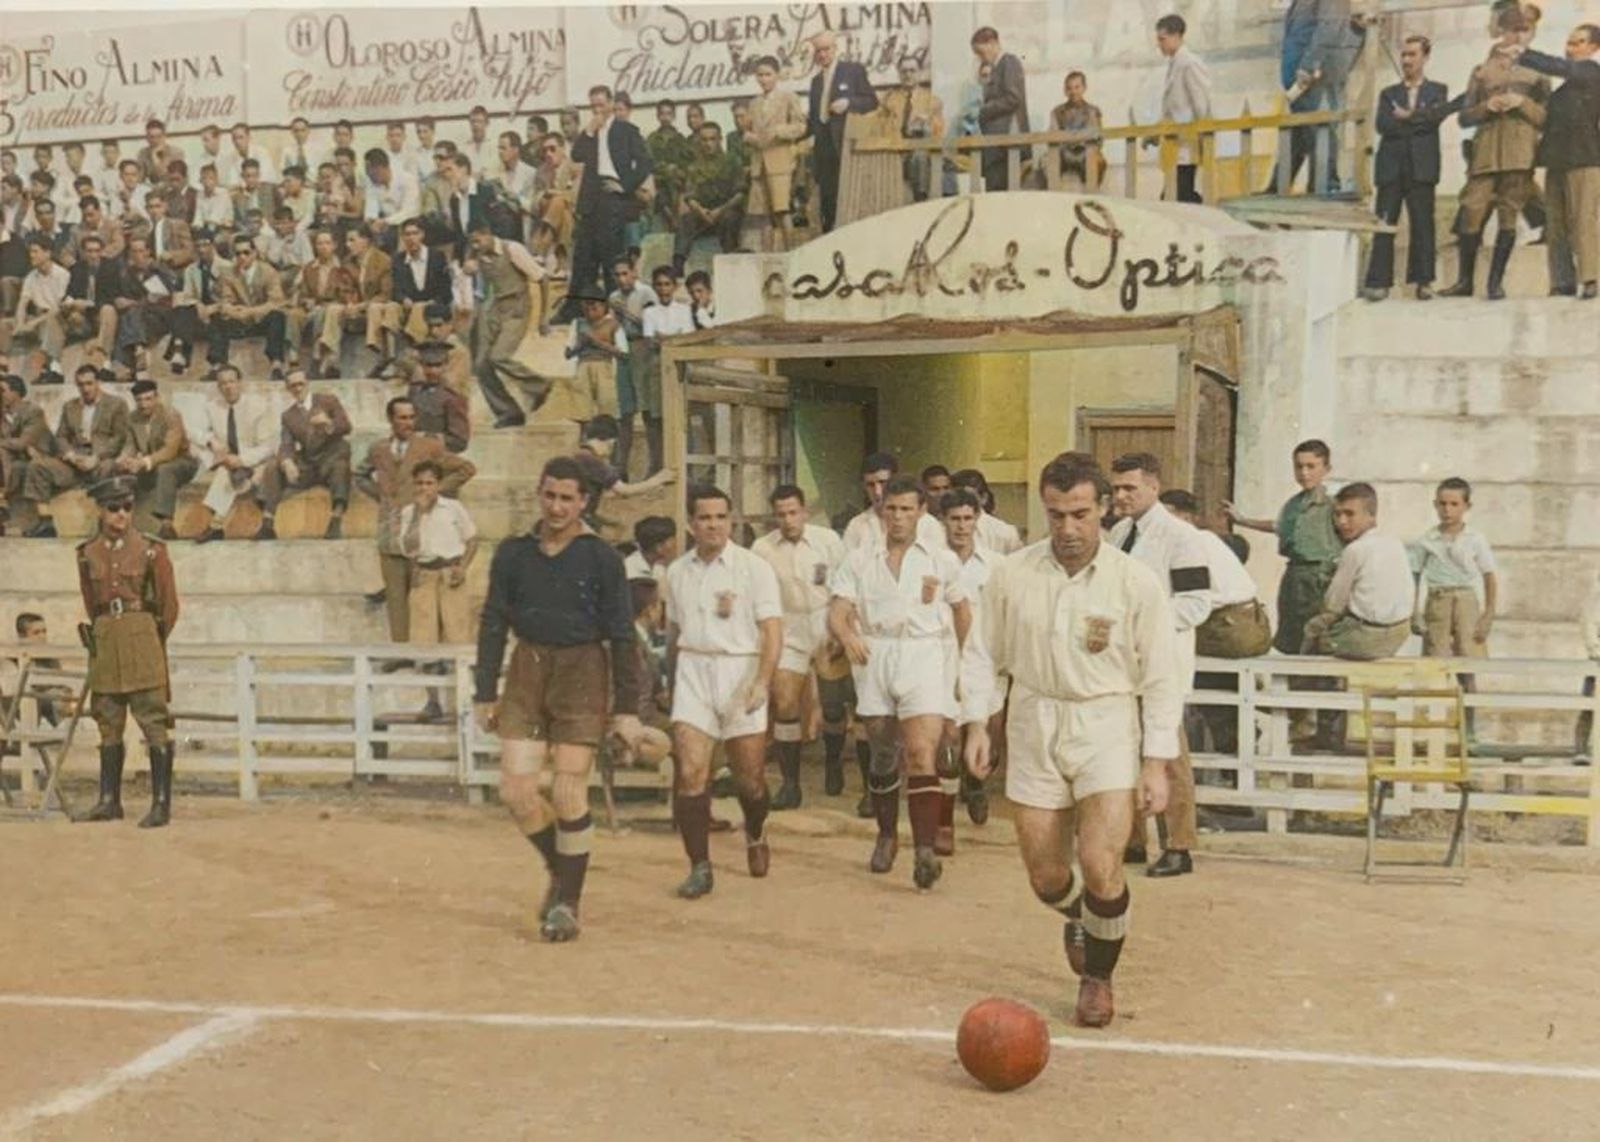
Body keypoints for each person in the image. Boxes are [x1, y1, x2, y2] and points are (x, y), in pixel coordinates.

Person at [962, 453, 1181, 1028]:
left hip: (1105, 722)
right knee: (1047, 875)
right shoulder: (1013, 574)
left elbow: (1161, 675)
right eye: (1056, 515)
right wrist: (979, 723)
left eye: (1080, 514)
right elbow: (983, 654)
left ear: (1104, 508)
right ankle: (1082, 916)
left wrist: (1156, 762)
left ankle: (1098, 978)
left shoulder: (1134, 582)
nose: (1067, 529)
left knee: (1101, 861)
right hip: (1035, 721)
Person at [474, 456, 642, 941]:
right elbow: (492, 621)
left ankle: (567, 901)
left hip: (583, 671)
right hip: (527, 671)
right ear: (539, 494)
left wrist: (627, 707)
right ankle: (562, 870)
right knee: (517, 792)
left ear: (584, 502)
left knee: (568, 793)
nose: (556, 506)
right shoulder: (513, 553)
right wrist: (485, 691)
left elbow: (622, 635)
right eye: (549, 495)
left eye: (567, 498)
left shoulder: (601, 558)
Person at [829, 475, 973, 888]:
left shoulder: (940, 558)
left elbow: (962, 613)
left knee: (920, 753)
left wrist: (962, 667)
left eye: (907, 509)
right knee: (880, 752)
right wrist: (848, 635)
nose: (898, 517)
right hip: (876, 654)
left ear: (922, 511)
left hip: (924, 654)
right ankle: (887, 833)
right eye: (891, 508)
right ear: (880, 511)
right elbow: (838, 610)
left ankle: (925, 850)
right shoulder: (859, 558)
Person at [664, 484, 783, 899]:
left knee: (750, 777)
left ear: (730, 521)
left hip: (741, 671)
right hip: (694, 671)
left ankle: (755, 831)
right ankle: (700, 866)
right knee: (692, 770)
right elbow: (675, 632)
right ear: (691, 523)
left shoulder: (753, 568)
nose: (712, 525)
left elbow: (771, 632)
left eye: (720, 517)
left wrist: (762, 682)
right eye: (704, 518)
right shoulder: (677, 572)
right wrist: (671, 681)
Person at [1107, 453, 1213, 878]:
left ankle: (1179, 845)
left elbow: (1196, 603)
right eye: (1116, 488)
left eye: (1130, 488)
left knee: (1167, 753)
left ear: (1153, 487)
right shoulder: (1117, 533)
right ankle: (1132, 840)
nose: (1121, 496)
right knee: (1125, 750)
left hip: (1162, 659)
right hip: (1121, 660)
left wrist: (1147, 624)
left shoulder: (1181, 537)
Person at [73, 474, 181, 829]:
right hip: (106, 636)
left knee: (152, 718)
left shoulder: (152, 549)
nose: (122, 514)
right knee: (107, 716)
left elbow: (168, 606)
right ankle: (109, 800)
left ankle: (161, 803)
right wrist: (106, 631)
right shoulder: (87, 553)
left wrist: (149, 636)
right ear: (101, 511)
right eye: (114, 508)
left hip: (141, 634)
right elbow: (92, 603)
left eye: (127, 507)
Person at [1442, 10, 1549, 300]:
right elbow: (1464, 117)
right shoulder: (1481, 71)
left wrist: (1522, 102)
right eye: (1514, 29)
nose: (1519, 35)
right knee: (1471, 213)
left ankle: (1494, 284)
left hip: (1519, 154)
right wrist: (1487, 106)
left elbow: (1545, 118)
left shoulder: (1538, 73)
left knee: (1508, 218)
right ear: (1502, 31)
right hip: (1486, 154)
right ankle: (1465, 281)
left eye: (1525, 29)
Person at [752, 484, 847, 809]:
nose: (788, 520)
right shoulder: (762, 549)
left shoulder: (828, 541)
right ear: (773, 516)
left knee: (833, 707)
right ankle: (791, 784)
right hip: (787, 630)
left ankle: (833, 763)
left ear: (804, 511)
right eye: (781, 514)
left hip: (825, 625)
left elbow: (844, 587)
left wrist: (842, 628)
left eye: (793, 513)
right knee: (786, 704)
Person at [1160, 488, 1272, 757]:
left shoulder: (1190, 543)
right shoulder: (1207, 539)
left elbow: (1190, 602)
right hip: (1249, 623)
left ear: (1185, 517)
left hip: (1229, 628)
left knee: (1172, 655)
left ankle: (1217, 748)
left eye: (1166, 516)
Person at [356, 397, 476, 643]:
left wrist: (433, 491)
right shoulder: (378, 449)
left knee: (425, 595)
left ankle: (432, 653)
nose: (408, 423)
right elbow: (359, 474)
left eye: (411, 417)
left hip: (423, 529)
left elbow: (465, 468)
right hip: (390, 529)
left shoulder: (428, 446)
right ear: (391, 419)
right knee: (396, 595)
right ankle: (401, 652)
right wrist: (380, 495)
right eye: (402, 417)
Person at [1224, 439, 1343, 658]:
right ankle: (1296, 686)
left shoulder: (1334, 505)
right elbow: (1278, 526)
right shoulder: (1293, 504)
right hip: (1294, 576)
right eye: (1299, 466)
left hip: (1320, 577)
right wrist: (1242, 520)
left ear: (1326, 469)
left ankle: (1320, 686)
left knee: (1318, 635)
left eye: (1311, 466)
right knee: (1292, 634)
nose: (1304, 473)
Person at [938, 486, 1008, 837]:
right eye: (954, 519)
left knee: (987, 731)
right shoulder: (932, 562)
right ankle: (945, 815)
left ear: (978, 520)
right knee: (948, 736)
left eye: (968, 519)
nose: (961, 527)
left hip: (986, 658)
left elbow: (1009, 612)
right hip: (944, 657)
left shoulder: (997, 565)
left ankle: (976, 785)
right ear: (943, 521)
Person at [1363, 36, 1452, 301]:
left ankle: (1423, 282)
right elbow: (1383, 125)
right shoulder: (1389, 94)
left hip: (1422, 168)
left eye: (1413, 55)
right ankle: (1379, 282)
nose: (1407, 60)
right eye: (1404, 55)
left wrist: (1408, 117)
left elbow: (1434, 120)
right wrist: (1416, 121)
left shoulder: (1437, 90)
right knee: (1384, 223)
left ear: (1425, 57)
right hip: (1391, 167)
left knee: (1423, 224)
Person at [1514, 24, 1600, 299]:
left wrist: (1524, 52)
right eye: (1569, 42)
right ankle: (1562, 281)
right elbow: (1545, 120)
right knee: (1556, 223)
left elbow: (1559, 66)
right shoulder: (1563, 91)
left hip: (1585, 159)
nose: (1571, 48)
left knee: (1583, 220)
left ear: (1594, 48)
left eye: (1579, 43)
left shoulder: (1591, 72)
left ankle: (1590, 278)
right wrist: (1520, 103)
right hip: (1557, 160)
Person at [566, 85, 652, 322]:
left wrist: (625, 185)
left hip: (614, 196)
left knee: (609, 254)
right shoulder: (591, 133)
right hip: (591, 199)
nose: (597, 110)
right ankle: (576, 308)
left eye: (601, 105)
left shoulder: (626, 130)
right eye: (593, 106)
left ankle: (615, 309)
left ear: (612, 103)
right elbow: (576, 155)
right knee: (583, 255)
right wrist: (590, 130)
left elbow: (645, 163)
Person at [400, 458, 478, 717]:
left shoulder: (453, 508)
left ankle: (463, 702)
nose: (425, 488)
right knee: (425, 641)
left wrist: (462, 568)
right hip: (424, 574)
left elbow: (472, 540)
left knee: (458, 638)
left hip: (450, 574)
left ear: (438, 484)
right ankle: (432, 701)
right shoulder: (408, 513)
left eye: (430, 483)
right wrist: (418, 516)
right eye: (420, 483)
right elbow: (409, 548)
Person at [1302, 482, 1414, 663]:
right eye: (1337, 514)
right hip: (1400, 633)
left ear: (1371, 516)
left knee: (1313, 630)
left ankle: (1307, 685)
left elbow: (1333, 604)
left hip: (1368, 638)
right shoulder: (1394, 542)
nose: (1342, 522)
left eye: (1349, 514)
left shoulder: (1355, 549)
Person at [20, 364, 130, 538]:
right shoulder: (70, 407)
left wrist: (96, 458)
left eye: (89, 383)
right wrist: (70, 455)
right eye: (81, 385)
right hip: (74, 462)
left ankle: (105, 523)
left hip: (100, 460)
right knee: (37, 466)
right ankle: (45, 521)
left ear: (98, 382)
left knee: (110, 468)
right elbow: (61, 436)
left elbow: (119, 438)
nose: (85, 389)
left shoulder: (116, 405)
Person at [1272, 0, 1367, 194]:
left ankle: (1325, 184)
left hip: (1316, 75)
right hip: (1302, 77)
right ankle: (1279, 185)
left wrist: (1309, 65)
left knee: (1320, 129)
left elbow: (1330, 26)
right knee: (1300, 130)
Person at [466, 220, 548, 429]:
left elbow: (542, 278)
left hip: (517, 307)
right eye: (472, 242)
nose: (475, 246)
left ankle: (540, 384)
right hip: (494, 308)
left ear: (487, 233)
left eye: (478, 241)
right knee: (481, 365)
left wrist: (543, 317)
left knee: (498, 356)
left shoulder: (512, 249)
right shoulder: (476, 253)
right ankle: (508, 412)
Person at [192, 365, 281, 543]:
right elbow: (195, 431)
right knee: (219, 465)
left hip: (256, 460)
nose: (228, 387)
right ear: (218, 387)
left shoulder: (258, 406)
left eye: (232, 382)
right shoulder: (212, 407)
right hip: (227, 460)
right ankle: (217, 526)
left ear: (240, 383)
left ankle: (216, 526)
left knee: (229, 475)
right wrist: (211, 441)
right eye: (223, 383)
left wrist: (241, 460)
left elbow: (268, 447)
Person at [806, 31, 879, 232]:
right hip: (823, 149)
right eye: (818, 51)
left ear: (835, 48)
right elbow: (812, 119)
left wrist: (848, 103)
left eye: (826, 49)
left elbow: (872, 101)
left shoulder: (852, 71)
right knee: (827, 199)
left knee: (849, 197)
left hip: (846, 145)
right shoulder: (815, 82)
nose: (822, 55)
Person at [276, 368, 353, 540]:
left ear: (307, 384)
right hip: (310, 461)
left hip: (333, 454)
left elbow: (346, 426)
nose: (297, 389)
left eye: (300, 384)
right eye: (293, 386)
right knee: (275, 468)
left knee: (340, 467)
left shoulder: (327, 401)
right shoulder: (288, 416)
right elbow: (286, 443)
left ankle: (336, 518)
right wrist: (287, 461)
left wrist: (328, 423)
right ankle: (267, 520)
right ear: (288, 389)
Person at [117, 379, 195, 540]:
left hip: (181, 462)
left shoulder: (171, 415)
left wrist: (144, 462)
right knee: (117, 470)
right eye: (139, 400)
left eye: (148, 399)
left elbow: (170, 450)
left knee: (165, 469)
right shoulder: (133, 418)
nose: (144, 404)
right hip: (151, 464)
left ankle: (166, 524)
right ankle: (118, 523)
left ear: (157, 397)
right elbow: (130, 445)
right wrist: (125, 460)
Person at [636, 265, 694, 475]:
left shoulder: (684, 310)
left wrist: (666, 339)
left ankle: (686, 466)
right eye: (659, 285)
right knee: (656, 416)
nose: (663, 289)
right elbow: (650, 341)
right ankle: (658, 466)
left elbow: (687, 340)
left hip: (679, 368)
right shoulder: (650, 312)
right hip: (656, 367)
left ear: (675, 286)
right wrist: (673, 338)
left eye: (667, 284)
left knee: (680, 416)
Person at [746, 57, 808, 251]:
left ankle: (791, 254)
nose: (764, 79)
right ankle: (767, 256)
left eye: (768, 74)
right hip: (759, 162)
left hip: (780, 161)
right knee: (763, 215)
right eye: (760, 75)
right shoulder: (754, 103)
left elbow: (801, 126)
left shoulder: (788, 97)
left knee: (782, 211)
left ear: (777, 75)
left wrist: (779, 131)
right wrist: (748, 137)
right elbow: (749, 130)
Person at [210, 236, 291, 380]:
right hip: (239, 320)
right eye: (238, 253)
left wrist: (251, 311)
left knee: (277, 316)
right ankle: (216, 365)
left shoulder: (268, 272)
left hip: (261, 319)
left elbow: (276, 301)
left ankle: (276, 364)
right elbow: (227, 298)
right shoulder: (229, 273)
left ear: (254, 253)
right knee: (217, 318)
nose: (242, 257)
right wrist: (230, 309)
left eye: (246, 252)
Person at [673, 123, 745, 277]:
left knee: (729, 219)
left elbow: (740, 194)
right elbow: (690, 197)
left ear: (719, 140)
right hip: (703, 214)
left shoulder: (732, 161)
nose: (708, 144)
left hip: (726, 210)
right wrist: (701, 211)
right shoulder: (694, 166)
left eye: (712, 139)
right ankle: (677, 268)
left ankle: (731, 265)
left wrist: (720, 210)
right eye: (704, 140)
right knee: (685, 221)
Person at [1155, 14, 1213, 204]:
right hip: (1174, 145)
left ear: (1177, 36)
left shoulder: (1189, 63)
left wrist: (1204, 138)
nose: (1159, 44)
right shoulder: (1174, 64)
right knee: (1177, 196)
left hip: (1187, 144)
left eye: (1162, 39)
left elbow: (1201, 104)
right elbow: (1171, 108)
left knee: (1178, 197)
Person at [843, 451, 948, 552]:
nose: (877, 492)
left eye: (883, 482)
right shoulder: (857, 526)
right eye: (870, 485)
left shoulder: (928, 524)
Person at [3, 237, 70, 383]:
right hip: (37, 317)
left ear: (47, 253)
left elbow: (58, 308)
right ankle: (4, 366)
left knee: (49, 322)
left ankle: (52, 368)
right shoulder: (31, 277)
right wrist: (20, 323)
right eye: (30, 252)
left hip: (59, 318)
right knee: (5, 325)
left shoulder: (62, 275)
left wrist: (32, 324)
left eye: (35, 251)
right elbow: (22, 303)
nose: (31, 255)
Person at [972, 27, 1029, 192]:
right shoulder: (992, 69)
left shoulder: (1009, 62)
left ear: (992, 43)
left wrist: (984, 110)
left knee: (1004, 196)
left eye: (981, 52)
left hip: (1007, 143)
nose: (980, 57)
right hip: (996, 146)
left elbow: (1013, 98)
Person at [881, 60, 946, 203]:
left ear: (920, 73)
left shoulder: (932, 101)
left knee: (919, 155)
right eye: (904, 71)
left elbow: (938, 132)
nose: (908, 75)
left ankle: (920, 201)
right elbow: (879, 126)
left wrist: (926, 125)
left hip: (918, 152)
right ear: (899, 74)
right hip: (894, 151)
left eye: (912, 71)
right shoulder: (888, 99)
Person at [608, 258, 649, 473]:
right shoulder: (613, 297)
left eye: (625, 273)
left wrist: (626, 313)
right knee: (625, 413)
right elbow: (615, 327)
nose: (622, 279)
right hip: (624, 351)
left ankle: (656, 465)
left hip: (644, 348)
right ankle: (621, 467)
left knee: (650, 413)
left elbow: (651, 324)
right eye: (618, 275)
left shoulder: (646, 293)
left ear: (634, 273)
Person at [0, 375, 53, 536]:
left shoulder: (33, 412)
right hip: (14, 461)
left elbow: (24, 442)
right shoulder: (2, 414)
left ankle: (4, 501)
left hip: (38, 459)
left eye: (2, 390)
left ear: (16, 393)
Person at [564, 291, 626, 426]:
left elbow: (623, 353)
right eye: (587, 308)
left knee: (607, 407)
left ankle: (609, 440)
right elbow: (568, 354)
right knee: (582, 410)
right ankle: (585, 440)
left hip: (605, 366)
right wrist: (581, 345)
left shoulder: (613, 325)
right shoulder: (578, 323)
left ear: (604, 307)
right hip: (583, 366)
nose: (590, 312)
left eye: (594, 308)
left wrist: (597, 343)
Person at [407, 342, 471, 454]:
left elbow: (459, 442)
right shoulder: (414, 391)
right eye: (428, 365)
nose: (433, 371)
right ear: (421, 365)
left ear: (446, 366)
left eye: (438, 366)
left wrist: (426, 438)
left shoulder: (453, 397)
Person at [1050, 72, 1106, 191]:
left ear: (1084, 88)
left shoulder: (1093, 111)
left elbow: (1098, 139)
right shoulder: (1057, 112)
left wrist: (1086, 146)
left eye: (1077, 87)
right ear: (1065, 90)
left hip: (1085, 151)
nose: (1073, 92)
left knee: (1099, 161)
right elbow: (1052, 135)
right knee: (1046, 161)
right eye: (1069, 88)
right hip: (1064, 152)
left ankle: (1092, 193)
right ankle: (1053, 197)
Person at [951, 467, 1024, 554]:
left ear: (984, 498)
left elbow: (1017, 565)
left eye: (970, 498)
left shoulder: (1005, 533)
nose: (963, 504)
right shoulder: (939, 531)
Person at [1577, 572, 1599, 763]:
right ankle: (1581, 749)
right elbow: (1588, 627)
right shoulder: (1594, 602)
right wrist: (1596, 651)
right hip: (1598, 662)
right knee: (1588, 707)